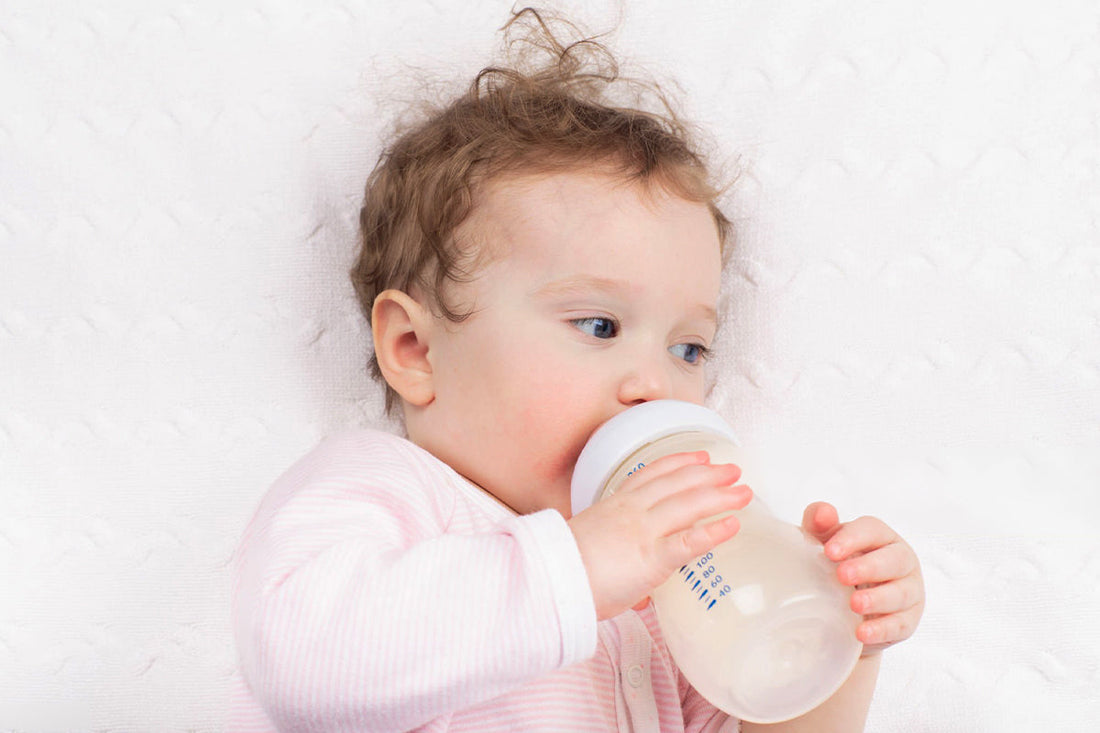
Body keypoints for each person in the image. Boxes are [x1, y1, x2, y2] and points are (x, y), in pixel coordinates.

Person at [229, 9, 925, 732]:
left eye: (688, 348)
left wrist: (836, 641)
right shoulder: (389, 492)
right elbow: (303, 662)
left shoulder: (670, 583)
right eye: (599, 326)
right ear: (414, 349)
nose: (652, 384)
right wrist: (581, 567)